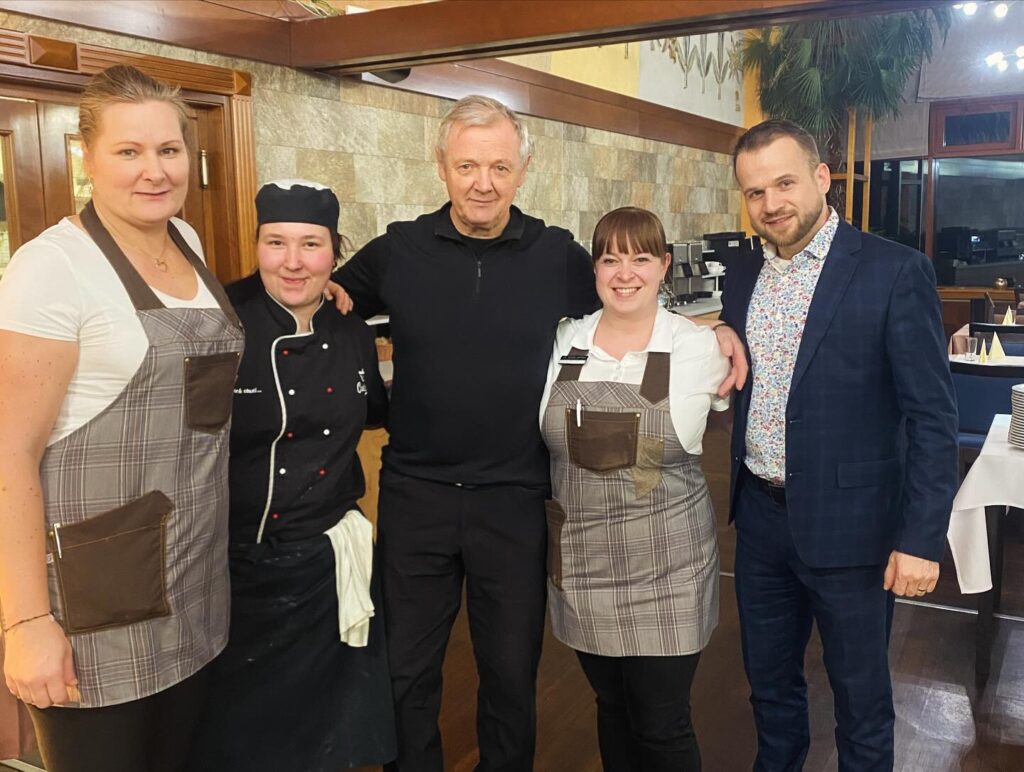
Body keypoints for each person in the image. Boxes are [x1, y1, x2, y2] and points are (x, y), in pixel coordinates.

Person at [333, 94, 748, 771]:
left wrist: (713, 327)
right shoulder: (397, 251)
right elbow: (328, 305)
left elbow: (627, 295)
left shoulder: (554, 254)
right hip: (415, 496)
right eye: (467, 166)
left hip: (516, 500)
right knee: (404, 673)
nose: (483, 182)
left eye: (500, 166)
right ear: (441, 166)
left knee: (509, 679)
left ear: (523, 169)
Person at [0, 64, 243, 772]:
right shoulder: (53, 268)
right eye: (128, 151)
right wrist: (25, 622)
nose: (153, 171)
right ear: (89, 155)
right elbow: (9, 452)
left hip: (192, 580)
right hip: (94, 604)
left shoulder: (188, 241)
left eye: (168, 150)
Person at [720, 118, 958, 771]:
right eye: (755, 192)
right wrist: (717, 331)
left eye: (785, 183)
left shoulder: (894, 271)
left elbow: (933, 417)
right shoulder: (742, 273)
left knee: (861, 706)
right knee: (769, 693)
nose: (771, 204)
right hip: (760, 524)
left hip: (855, 531)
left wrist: (920, 539)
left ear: (822, 178)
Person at [189, 179, 396, 770]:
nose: (293, 261)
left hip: (324, 564)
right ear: (257, 246)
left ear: (334, 252)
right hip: (236, 567)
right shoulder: (222, 322)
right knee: (238, 736)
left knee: (322, 735)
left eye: (311, 244)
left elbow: (373, 412)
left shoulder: (351, 329)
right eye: (276, 243)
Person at [540, 207, 729, 771]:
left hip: (668, 565)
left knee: (661, 722)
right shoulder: (565, 340)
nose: (625, 273)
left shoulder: (696, 346)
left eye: (640, 258)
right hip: (584, 563)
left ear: (665, 265)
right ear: (595, 270)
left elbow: (722, 412)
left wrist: (725, 330)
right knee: (612, 705)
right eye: (610, 259)